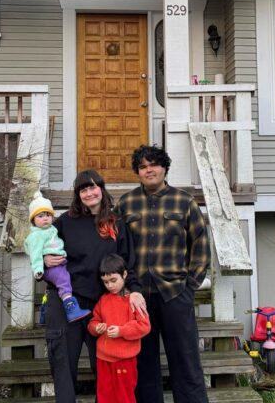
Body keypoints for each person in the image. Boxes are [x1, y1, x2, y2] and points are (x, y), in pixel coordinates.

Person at [45, 170, 148, 403]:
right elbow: (40, 244)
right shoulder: (64, 223)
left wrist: (135, 290)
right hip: (66, 300)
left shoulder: (116, 223)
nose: (89, 193)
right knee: (63, 363)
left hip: (103, 304)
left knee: (104, 366)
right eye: (83, 189)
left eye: (93, 187)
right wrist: (42, 261)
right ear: (78, 194)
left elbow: (127, 261)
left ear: (101, 189)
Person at [118, 145, 210, 403]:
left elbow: (200, 244)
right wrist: (125, 287)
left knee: (185, 360)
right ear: (138, 171)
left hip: (175, 294)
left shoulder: (184, 201)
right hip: (137, 298)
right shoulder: (126, 203)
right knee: (143, 363)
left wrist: (190, 285)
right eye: (143, 167)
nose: (149, 170)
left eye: (154, 165)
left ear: (164, 168)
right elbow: (116, 248)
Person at [88, 254, 151, 403]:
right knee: (105, 396)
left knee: (124, 396)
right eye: (105, 282)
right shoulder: (103, 300)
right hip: (103, 359)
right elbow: (93, 322)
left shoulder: (133, 300)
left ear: (124, 274)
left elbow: (144, 326)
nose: (110, 285)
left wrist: (122, 331)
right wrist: (97, 328)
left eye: (113, 280)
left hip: (125, 360)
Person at [23, 191, 91, 322]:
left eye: (48, 215)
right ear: (33, 220)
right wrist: (38, 269)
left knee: (64, 280)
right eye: (40, 216)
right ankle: (71, 308)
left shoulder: (51, 230)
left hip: (60, 263)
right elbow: (35, 254)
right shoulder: (36, 236)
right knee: (64, 282)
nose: (45, 218)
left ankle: (44, 314)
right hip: (52, 266)